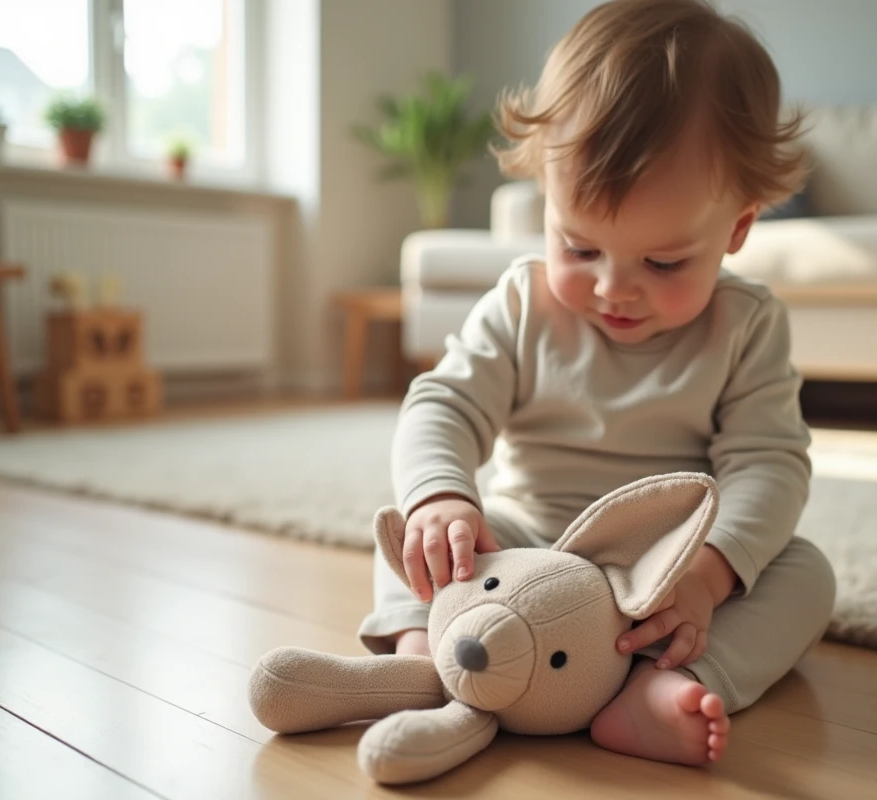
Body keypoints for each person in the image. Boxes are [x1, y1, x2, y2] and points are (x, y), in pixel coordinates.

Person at [358, 0, 836, 767]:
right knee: (410, 531)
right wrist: (442, 498)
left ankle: (657, 688)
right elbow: (443, 404)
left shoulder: (746, 325)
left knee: (805, 575)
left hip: (662, 571)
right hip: (518, 548)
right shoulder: (521, 302)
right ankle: (424, 652)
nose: (616, 288)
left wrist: (709, 576)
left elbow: (769, 464)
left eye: (664, 263)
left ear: (737, 230)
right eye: (579, 247)